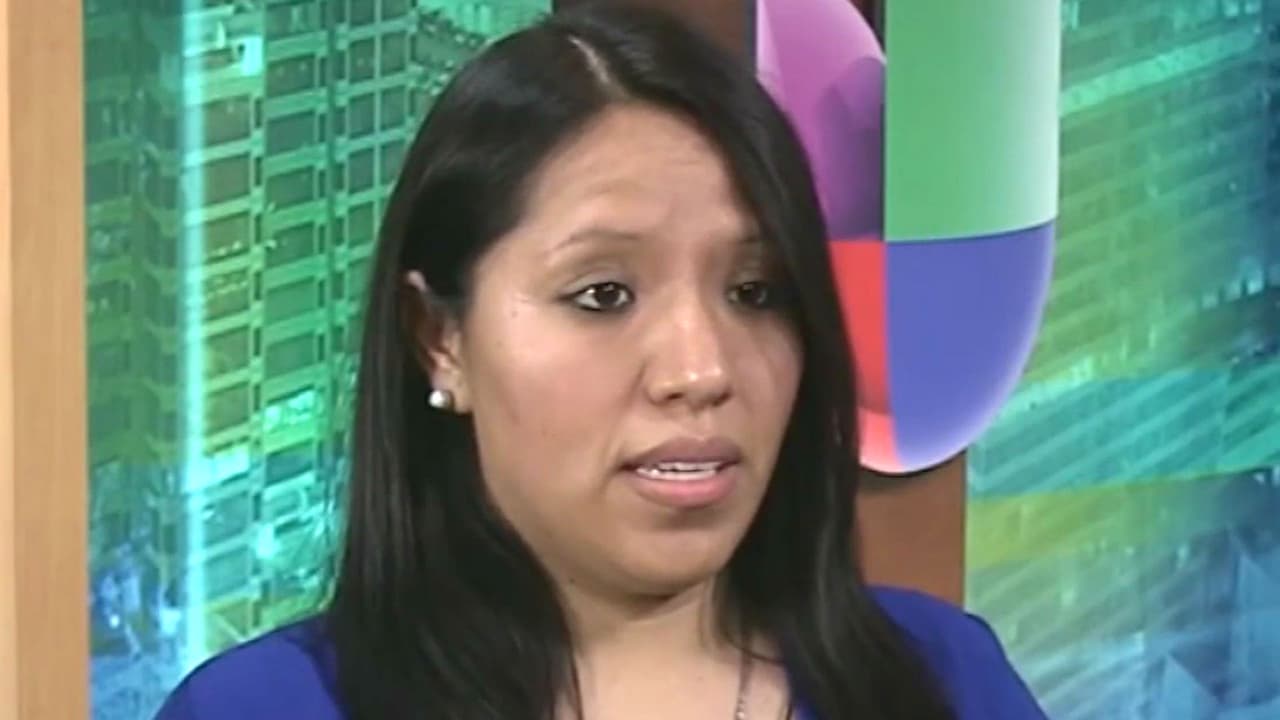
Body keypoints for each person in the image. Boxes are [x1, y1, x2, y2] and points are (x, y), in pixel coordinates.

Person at [156, 3, 1047, 719]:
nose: (701, 371)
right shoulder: (261, 707)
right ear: (439, 338)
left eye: (755, 291)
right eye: (604, 295)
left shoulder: (943, 681)